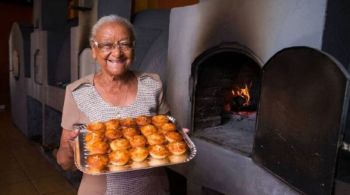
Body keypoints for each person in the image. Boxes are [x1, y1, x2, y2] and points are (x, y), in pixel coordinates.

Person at [56, 15, 170, 195]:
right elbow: (64, 162)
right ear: (94, 50)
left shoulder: (152, 84)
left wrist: (176, 136)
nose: (117, 53)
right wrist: (69, 149)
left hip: (153, 189)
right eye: (107, 45)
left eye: (124, 44)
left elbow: (165, 132)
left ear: (133, 48)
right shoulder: (77, 92)